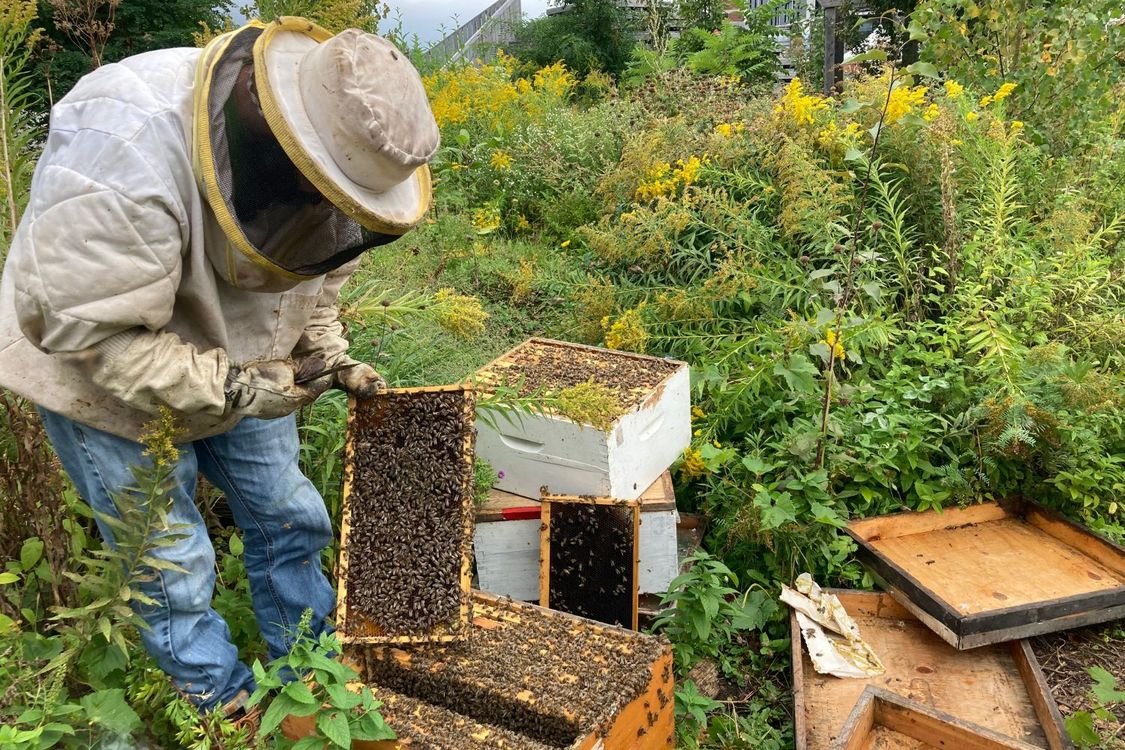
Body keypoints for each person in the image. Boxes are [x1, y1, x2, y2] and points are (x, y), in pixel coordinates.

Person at [0, 16, 439, 718]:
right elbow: (91, 334)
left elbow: (319, 278)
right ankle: (220, 704)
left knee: (289, 515)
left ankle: (313, 672)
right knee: (168, 559)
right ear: (271, 130)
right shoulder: (122, 148)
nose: (329, 214)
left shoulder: (336, 169)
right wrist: (236, 390)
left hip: (248, 357)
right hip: (103, 373)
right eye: (319, 194)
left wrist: (323, 352)